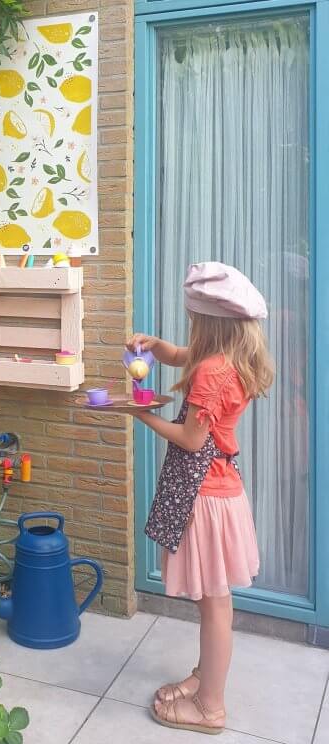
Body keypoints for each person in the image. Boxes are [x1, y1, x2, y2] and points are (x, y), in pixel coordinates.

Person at [125, 262, 274, 735]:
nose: (188, 326)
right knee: (216, 601)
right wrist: (154, 345)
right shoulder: (230, 358)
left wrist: (140, 412)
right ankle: (205, 678)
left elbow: (191, 440)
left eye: (192, 318)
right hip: (221, 490)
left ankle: (210, 707)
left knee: (213, 604)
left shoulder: (212, 371)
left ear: (208, 321)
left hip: (203, 495)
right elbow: (179, 356)